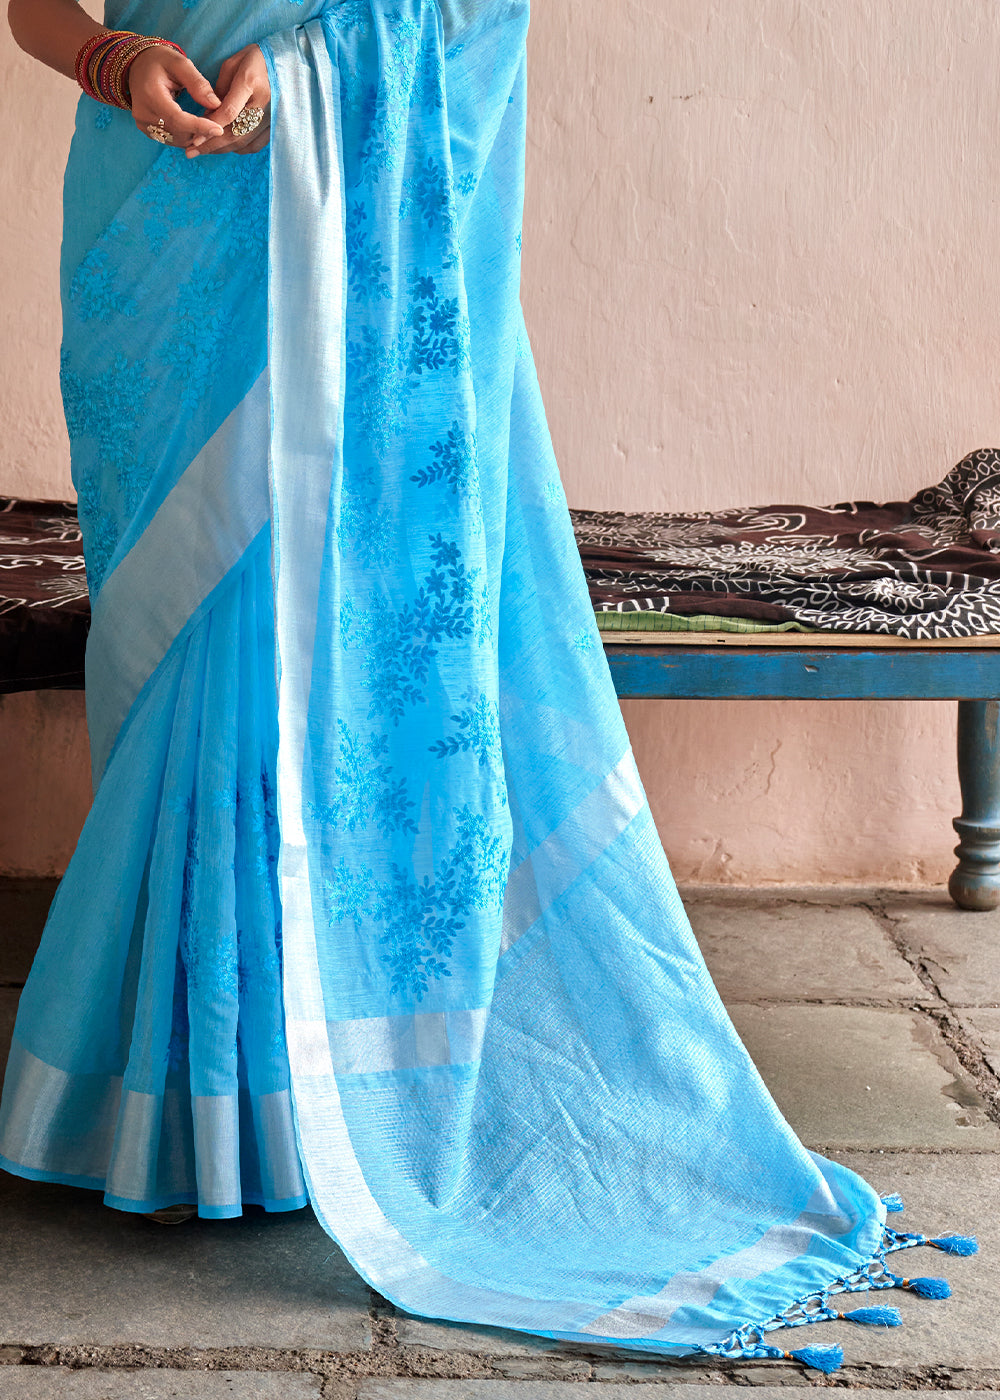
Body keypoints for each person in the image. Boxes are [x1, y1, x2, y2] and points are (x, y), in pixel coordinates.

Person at [0, 0, 975, 1370]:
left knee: (279, 653)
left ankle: (307, 1100)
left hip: (353, 199)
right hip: (164, 234)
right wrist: (115, 62)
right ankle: (193, 1098)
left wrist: (316, 85)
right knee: (185, 651)